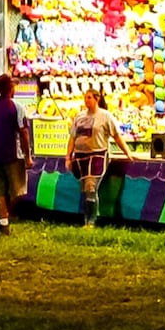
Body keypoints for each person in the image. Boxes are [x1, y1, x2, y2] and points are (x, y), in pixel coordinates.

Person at [65, 89, 134, 229]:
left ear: (96, 99)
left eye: (89, 97)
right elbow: (72, 137)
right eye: (85, 98)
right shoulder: (79, 117)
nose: (86, 100)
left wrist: (127, 152)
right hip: (80, 156)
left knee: (91, 186)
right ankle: (86, 218)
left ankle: (91, 221)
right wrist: (68, 157)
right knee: (85, 189)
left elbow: (116, 136)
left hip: (97, 155)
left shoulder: (105, 116)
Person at [0, 74, 33, 236]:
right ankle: (1, 218)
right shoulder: (16, 107)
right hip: (13, 155)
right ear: (10, 88)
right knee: (18, 191)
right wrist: (28, 156)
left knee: (0, 192)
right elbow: (23, 133)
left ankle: (3, 224)